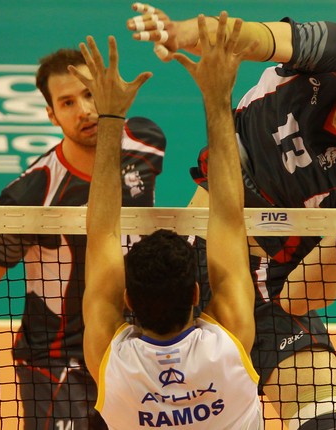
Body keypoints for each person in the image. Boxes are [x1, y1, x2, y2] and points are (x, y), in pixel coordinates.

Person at [126, 3, 336, 429]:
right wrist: (182, 33)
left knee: (328, 421)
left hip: (270, 286)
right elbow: (254, 37)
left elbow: (299, 300)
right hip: (197, 247)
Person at [0, 47, 166, 430]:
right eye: (68, 102)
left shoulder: (146, 143)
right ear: (51, 115)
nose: (85, 110)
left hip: (133, 343)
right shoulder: (32, 194)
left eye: (90, 94)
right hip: (59, 358)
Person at [79, 13, 263, 429]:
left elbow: (101, 231)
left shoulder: (111, 360)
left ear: (128, 301)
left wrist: (108, 119)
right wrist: (218, 99)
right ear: (197, 292)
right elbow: (231, 220)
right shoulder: (228, 343)